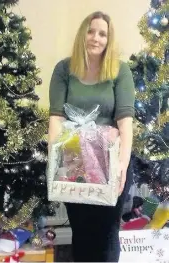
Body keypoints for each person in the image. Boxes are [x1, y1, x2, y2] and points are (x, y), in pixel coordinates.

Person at [48, 11, 134, 262]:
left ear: (109, 39)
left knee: (107, 234)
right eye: (91, 31)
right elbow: (56, 118)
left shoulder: (120, 71)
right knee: (82, 232)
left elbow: (125, 122)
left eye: (102, 33)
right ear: (82, 34)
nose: (96, 38)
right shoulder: (64, 69)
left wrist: (122, 166)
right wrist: (54, 162)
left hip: (111, 164)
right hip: (74, 164)